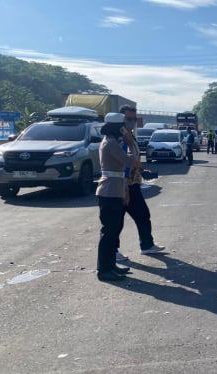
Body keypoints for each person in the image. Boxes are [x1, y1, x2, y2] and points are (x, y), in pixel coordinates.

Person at [117, 105, 165, 260]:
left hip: (133, 183)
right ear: (121, 119)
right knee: (116, 220)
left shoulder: (130, 134)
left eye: (134, 119)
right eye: (128, 119)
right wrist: (124, 187)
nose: (132, 122)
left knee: (142, 215)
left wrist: (142, 171)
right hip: (123, 185)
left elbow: (134, 159)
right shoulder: (119, 137)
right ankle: (113, 250)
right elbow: (122, 162)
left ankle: (147, 245)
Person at [95, 113, 139, 281]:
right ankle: (104, 270)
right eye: (123, 126)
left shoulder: (112, 141)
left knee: (114, 231)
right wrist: (131, 144)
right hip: (109, 190)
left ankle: (111, 266)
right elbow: (131, 162)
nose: (125, 129)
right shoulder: (111, 143)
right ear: (117, 127)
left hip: (115, 189)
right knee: (109, 232)